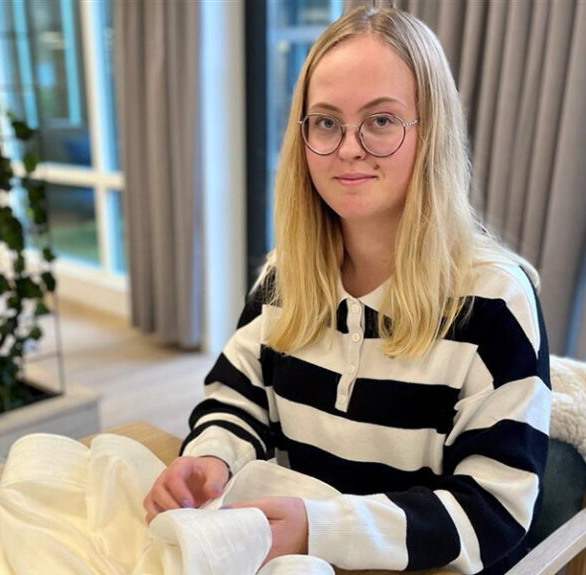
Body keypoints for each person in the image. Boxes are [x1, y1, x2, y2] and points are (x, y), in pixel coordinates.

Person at [143, 5, 551, 575]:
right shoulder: (283, 277)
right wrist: (212, 456)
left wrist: (322, 529)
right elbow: (236, 400)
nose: (348, 148)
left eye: (381, 120)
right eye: (326, 122)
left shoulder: (495, 302)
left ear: (430, 131)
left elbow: (496, 511)